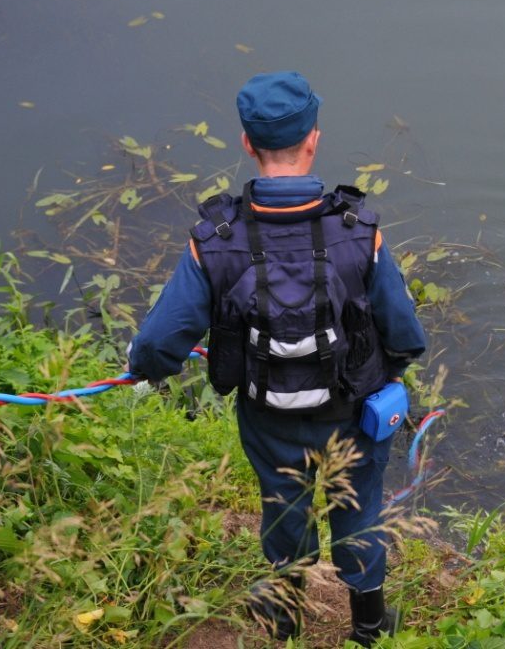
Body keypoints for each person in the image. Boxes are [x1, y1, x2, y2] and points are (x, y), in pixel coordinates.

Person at [126, 70, 426, 645]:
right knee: (359, 509)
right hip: (354, 417)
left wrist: (143, 371)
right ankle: (369, 629)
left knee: (284, 508)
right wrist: (391, 372)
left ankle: (283, 625)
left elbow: (162, 340)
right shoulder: (359, 230)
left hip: (268, 418)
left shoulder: (212, 238)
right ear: (314, 138)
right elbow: (406, 333)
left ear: (246, 144)